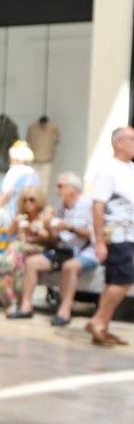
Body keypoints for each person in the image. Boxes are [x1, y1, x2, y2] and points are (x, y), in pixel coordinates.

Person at [15, 172, 100, 326]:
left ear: (73, 188)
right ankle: (26, 306)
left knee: (70, 267)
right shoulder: (61, 210)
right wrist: (50, 228)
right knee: (32, 262)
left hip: (87, 252)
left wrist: (70, 227)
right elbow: (55, 242)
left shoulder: (88, 205)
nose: (57, 189)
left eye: (60, 186)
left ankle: (64, 311)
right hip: (64, 251)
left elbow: (94, 234)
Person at [85, 125, 134, 346]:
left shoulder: (130, 169)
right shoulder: (108, 169)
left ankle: (102, 325)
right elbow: (98, 206)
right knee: (124, 281)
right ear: (119, 142)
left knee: (114, 281)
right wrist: (99, 241)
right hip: (117, 236)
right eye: (132, 139)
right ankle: (99, 321)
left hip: (130, 235)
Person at [0, 186, 54, 316]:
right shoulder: (22, 215)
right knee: (18, 262)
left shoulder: (45, 214)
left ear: (39, 200)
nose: (28, 203)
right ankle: (15, 301)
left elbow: (49, 237)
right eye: (25, 200)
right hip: (21, 251)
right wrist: (16, 223)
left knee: (14, 248)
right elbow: (9, 233)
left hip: (39, 248)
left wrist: (33, 229)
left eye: (32, 200)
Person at [0, 140, 40, 241]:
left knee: (9, 234)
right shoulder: (33, 172)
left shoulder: (14, 171)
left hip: (13, 210)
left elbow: (7, 193)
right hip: (29, 211)